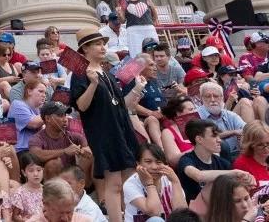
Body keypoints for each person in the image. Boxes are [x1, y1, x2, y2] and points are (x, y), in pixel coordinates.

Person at [69, 26, 140, 222]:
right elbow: (81, 106)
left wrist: (137, 89)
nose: (102, 47)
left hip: (121, 127)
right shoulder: (80, 73)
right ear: (85, 49)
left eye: (103, 43)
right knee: (114, 182)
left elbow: (119, 104)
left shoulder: (105, 71)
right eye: (97, 44)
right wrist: (92, 84)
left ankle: (130, 217)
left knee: (129, 179)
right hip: (103, 131)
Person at [174, 118, 248, 203]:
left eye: (218, 135)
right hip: (196, 212)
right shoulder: (186, 160)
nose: (219, 140)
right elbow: (198, 176)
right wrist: (234, 173)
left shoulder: (223, 163)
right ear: (199, 139)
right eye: (214, 136)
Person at [28, 102, 92, 181]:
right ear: (48, 119)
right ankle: (54, 192)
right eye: (60, 115)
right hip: (51, 183)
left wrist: (85, 150)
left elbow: (84, 143)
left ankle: (89, 189)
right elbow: (36, 155)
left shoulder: (73, 136)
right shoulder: (37, 138)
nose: (65, 119)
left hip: (72, 178)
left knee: (91, 155)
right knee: (54, 163)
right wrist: (64, 151)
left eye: (65, 115)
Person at [122, 143, 185, 222]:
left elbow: (182, 214)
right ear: (138, 164)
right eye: (148, 162)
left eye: (158, 162)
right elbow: (154, 212)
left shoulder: (169, 180)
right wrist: (150, 184)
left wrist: (176, 182)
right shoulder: (131, 184)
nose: (154, 167)